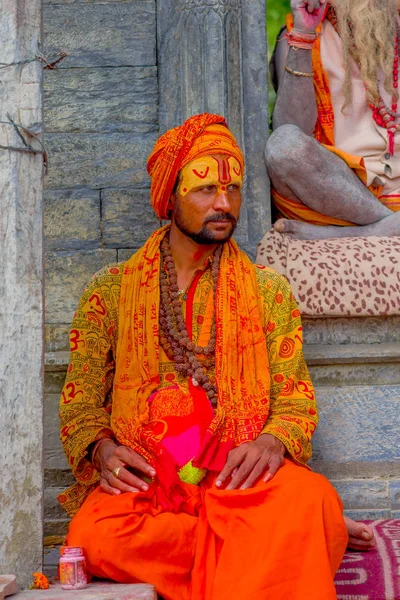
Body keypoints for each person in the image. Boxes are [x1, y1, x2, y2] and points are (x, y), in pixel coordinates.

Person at [59, 113, 348, 600]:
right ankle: (282, 549)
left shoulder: (267, 290)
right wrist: (103, 449)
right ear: (168, 196)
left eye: (233, 188)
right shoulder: (109, 292)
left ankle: (282, 537)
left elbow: (296, 401)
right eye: (205, 189)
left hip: (240, 482)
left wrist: (273, 443)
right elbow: (79, 402)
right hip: (151, 486)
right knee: (91, 536)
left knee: (312, 497)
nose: (224, 203)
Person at [266, 0, 400, 239]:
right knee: (284, 145)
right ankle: (389, 226)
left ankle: (363, 233)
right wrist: (304, 34)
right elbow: (291, 129)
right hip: (337, 194)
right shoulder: (298, 34)